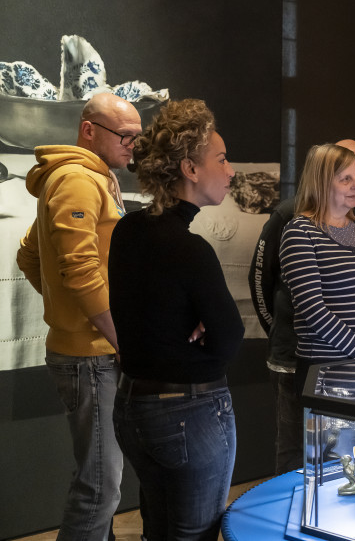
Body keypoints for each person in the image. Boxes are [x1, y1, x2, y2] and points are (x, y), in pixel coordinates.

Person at [108, 99, 245, 540]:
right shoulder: (190, 249)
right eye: (221, 159)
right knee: (194, 534)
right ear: (190, 168)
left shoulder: (128, 230)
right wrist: (206, 330)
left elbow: (147, 313)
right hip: (190, 413)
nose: (230, 171)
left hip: (133, 408)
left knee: (159, 530)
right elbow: (229, 337)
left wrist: (201, 321)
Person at [16, 92, 141, 541]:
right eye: (124, 135)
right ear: (89, 130)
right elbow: (80, 272)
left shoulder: (89, 178)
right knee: (100, 487)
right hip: (90, 356)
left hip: (90, 351)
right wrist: (119, 337)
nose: (133, 145)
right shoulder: (77, 180)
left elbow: (30, 255)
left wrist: (69, 307)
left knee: (99, 478)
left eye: (137, 136)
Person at [249, 139, 355, 475]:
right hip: (298, 357)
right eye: (347, 177)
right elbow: (262, 281)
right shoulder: (290, 218)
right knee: (299, 453)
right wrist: (277, 330)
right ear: (324, 177)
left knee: (351, 454)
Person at [279, 142, 355, 429]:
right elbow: (313, 309)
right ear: (322, 182)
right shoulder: (300, 232)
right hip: (327, 373)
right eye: (345, 178)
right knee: (329, 453)